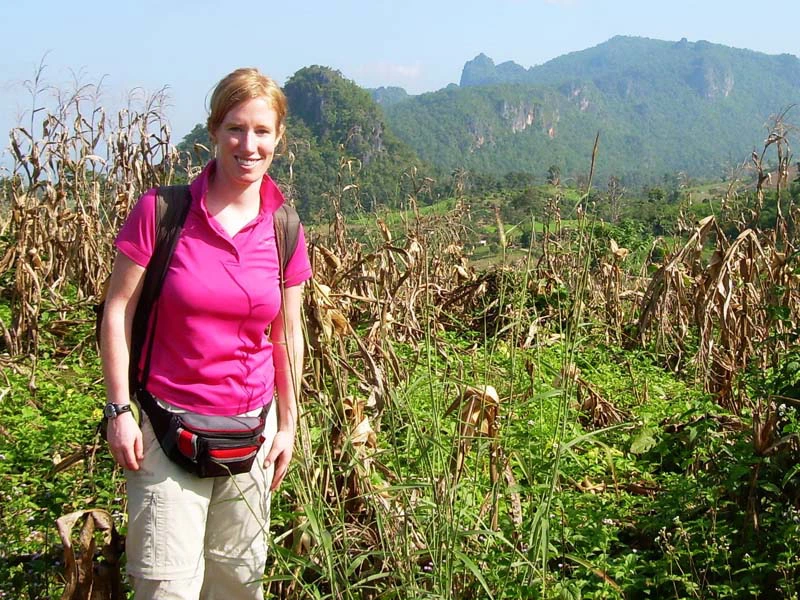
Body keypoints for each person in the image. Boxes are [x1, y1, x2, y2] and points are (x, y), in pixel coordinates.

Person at [100, 67, 312, 599]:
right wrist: (119, 411)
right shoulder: (162, 211)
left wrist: (287, 425)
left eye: (262, 131)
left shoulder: (284, 227)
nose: (249, 144)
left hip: (250, 438)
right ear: (214, 130)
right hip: (167, 427)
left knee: (238, 586)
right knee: (166, 587)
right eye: (236, 128)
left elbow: (287, 332)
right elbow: (117, 311)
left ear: (279, 138)